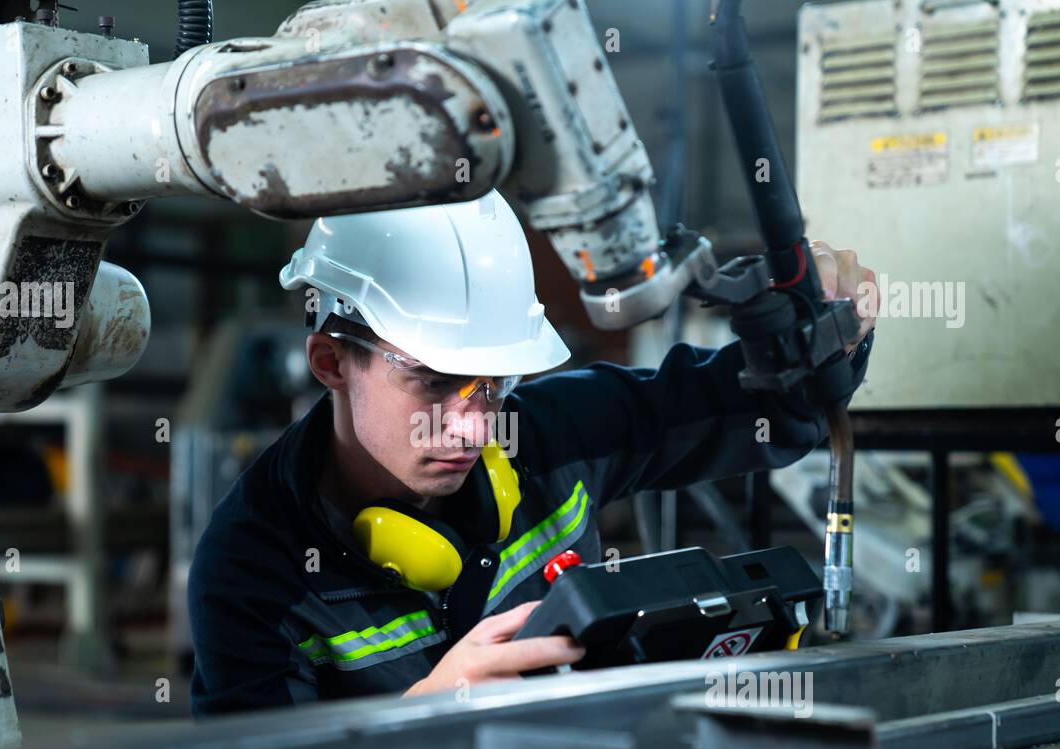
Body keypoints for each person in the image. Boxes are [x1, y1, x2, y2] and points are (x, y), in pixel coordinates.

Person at [188, 190, 877, 716]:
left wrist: (820, 345)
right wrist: (426, 713)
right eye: (431, 381)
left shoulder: (551, 438)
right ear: (329, 359)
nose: (474, 429)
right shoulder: (252, 569)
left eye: (494, 384)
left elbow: (758, 413)